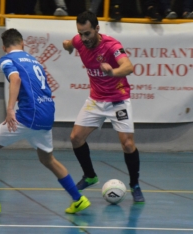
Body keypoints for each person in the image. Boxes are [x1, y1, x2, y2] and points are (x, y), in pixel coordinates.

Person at [0, 28, 91, 214]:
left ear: (4, 47)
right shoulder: (35, 61)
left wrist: (10, 110)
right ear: (22, 44)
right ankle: (78, 198)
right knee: (47, 158)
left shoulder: (7, 59)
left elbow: (15, 80)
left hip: (28, 115)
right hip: (47, 113)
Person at [62, 11, 145, 203]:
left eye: (87, 34)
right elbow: (70, 43)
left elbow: (128, 67)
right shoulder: (79, 41)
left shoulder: (112, 46)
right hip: (96, 100)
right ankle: (90, 175)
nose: (84, 38)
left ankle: (135, 185)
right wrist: (67, 46)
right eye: (80, 33)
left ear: (97, 29)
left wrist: (113, 71)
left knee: (128, 144)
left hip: (118, 99)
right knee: (76, 138)